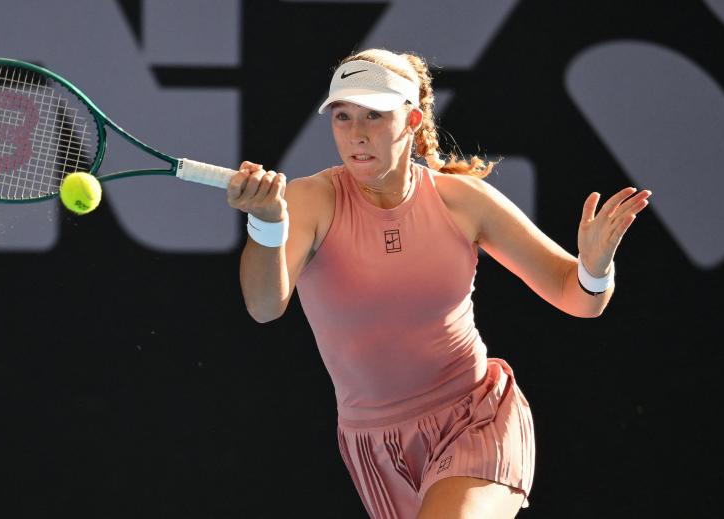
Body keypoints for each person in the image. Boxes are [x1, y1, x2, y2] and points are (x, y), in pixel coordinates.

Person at [226, 48, 651, 519]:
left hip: (477, 418)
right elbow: (264, 306)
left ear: (411, 120)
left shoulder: (463, 201)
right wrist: (266, 225)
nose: (356, 133)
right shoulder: (308, 201)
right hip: (375, 446)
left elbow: (580, 298)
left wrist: (594, 266)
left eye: (373, 114)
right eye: (343, 116)